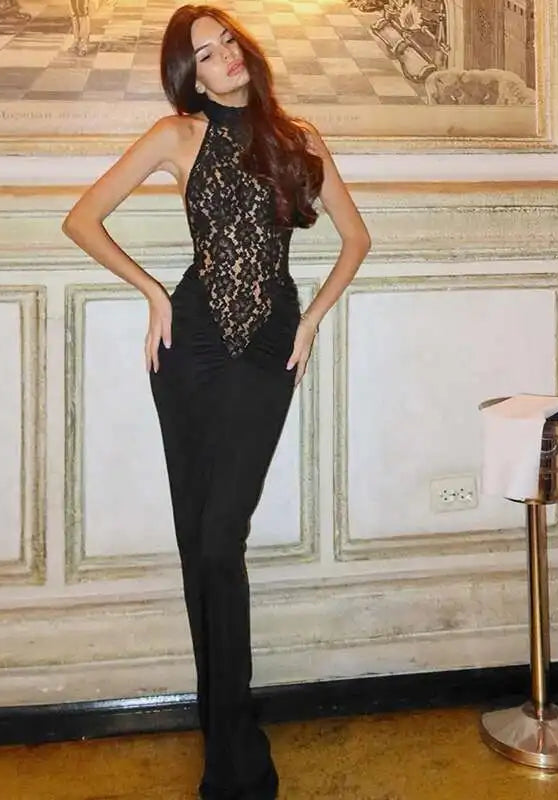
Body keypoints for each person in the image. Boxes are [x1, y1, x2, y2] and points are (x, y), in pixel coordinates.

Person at [62, 5, 370, 797]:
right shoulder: (176, 136)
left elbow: (356, 239)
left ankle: (233, 755)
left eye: (227, 41)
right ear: (190, 77)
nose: (225, 56)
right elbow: (81, 219)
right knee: (198, 542)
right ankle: (227, 747)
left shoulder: (299, 137)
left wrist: (310, 319)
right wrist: (152, 293)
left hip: (267, 349)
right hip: (189, 347)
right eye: (205, 53)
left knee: (218, 540)